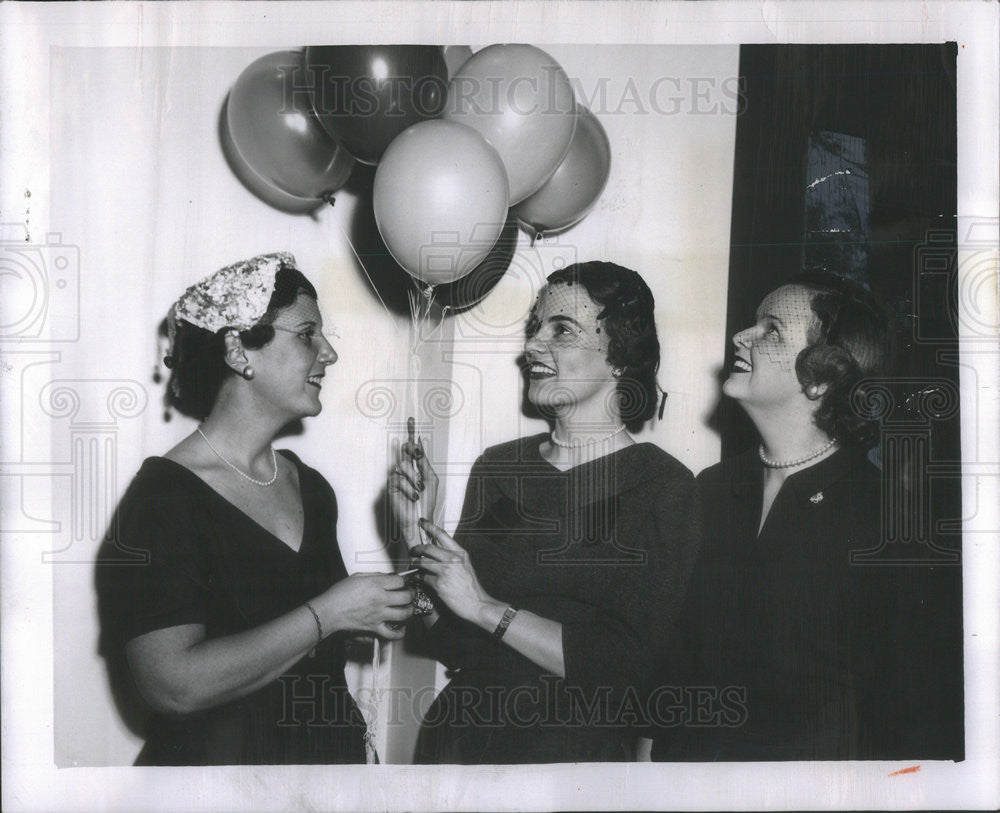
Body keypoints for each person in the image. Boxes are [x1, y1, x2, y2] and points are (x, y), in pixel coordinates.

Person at [97, 252, 415, 765]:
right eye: (306, 333)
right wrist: (331, 612)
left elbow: (294, 629)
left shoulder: (310, 486)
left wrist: (381, 591)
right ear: (237, 350)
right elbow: (171, 686)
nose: (328, 353)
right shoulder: (163, 500)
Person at [389, 261, 702, 764]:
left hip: (571, 757)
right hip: (460, 742)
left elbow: (629, 669)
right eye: (535, 328)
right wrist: (416, 536)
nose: (532, 346)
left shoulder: (663, 487)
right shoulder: (500, 469)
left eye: (562, 330)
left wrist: (487, 608)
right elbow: (454, 642)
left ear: (620, 355)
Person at [648, 271, 964, 761]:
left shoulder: (888, 520)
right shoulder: (709, 490)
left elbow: (911, 715)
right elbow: (676, 655)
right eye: (755, 323)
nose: (741, 336)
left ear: (820, 378)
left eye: (772, 329)